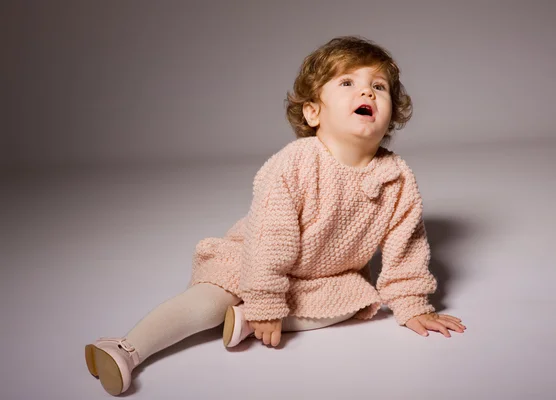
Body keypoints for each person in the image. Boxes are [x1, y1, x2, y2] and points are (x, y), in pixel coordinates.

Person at [85, 35, 466, 396]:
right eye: (347, 83)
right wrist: (265, 300)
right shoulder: (295, 164)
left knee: (358, 300)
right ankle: (126, 349)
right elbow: (270, 240)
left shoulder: (396, 177)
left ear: (391, 115)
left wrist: (413, 304)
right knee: (207, 305)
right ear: (313, 112)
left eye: (379, 87)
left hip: (325, 274)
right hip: (252, 259)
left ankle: (249, 322)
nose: (367, 91)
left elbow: (407, 248)